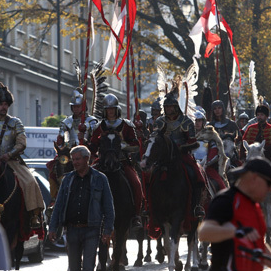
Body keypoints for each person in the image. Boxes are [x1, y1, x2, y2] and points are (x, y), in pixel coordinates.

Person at [48, 145, 114, 271]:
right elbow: (58, 205)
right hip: (71, 230)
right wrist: (53, 227)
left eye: (78, 159)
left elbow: (108, 207)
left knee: (88, 269)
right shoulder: (68, 179)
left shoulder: (100, 178)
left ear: (87, 159)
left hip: (92, 229)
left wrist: (107, 230)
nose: (75, 162)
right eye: (73, 160)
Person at [0, 80, 45, 228]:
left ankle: (34, 215)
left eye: (6, 104)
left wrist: (8, 155)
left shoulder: (15, 123)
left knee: (29, 182)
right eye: (1, 104)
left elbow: (22, 143)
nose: (4, 107)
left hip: (12, 162)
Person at [89, 94, 144, 227]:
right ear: (105, 110)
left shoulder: (126, 125)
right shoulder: (98, 127)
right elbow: (92, 147)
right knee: (87, 182)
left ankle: (136, 215)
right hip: (102, 162)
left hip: (122, 162)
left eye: (113, 109)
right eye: (108, 109)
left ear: (117, 109)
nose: (111, 111)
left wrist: (125, 146)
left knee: (136, 184)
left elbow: (136, 146)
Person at [153, 93, 206, 217]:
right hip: (164, 157)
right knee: (150, 175)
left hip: (182, 155)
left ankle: (197, 205)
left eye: (171, 107)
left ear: (176, 107)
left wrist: (181, 147)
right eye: (166, 107)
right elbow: (155, 139)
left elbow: (193, 143)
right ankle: (150, 205)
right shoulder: (160, 122)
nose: (168, 109)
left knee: (196, 174)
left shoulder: (186, 122)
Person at [48, 89, 99, 201]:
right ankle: (55, 199)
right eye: (74, 107)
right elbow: (62, 137)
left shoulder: (92, 122)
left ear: (83, 106)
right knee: (54, 169)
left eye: (78, 106)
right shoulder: (67, 122)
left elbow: (95, 141)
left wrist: (84, 140)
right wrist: (60, 142)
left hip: (88, 152)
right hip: (69, 152)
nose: (76, 109)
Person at [242, 101, 271, 205]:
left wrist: (265, 149)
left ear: (266, 116)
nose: (259, 117)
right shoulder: (250, 128)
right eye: (258, 115)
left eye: (262, 115)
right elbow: (244, 141)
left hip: (269, 157)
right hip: (252, 157)